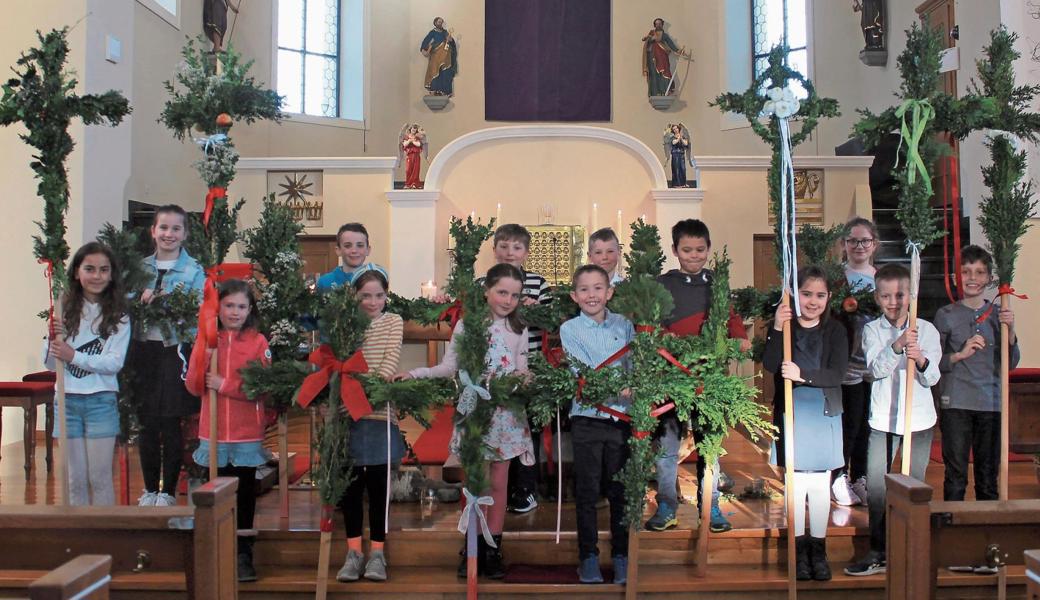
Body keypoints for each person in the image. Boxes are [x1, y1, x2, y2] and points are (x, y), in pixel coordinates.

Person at [396, 263, 534, 580]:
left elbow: (521, 368)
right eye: (502, 292)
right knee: (474, 484)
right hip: (475, 416)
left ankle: (493, 547)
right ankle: (471, 547)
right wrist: (416, 372)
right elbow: (449, 367)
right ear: (486, 290)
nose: (508, 300)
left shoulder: (518, 328)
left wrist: (524, 379)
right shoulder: (467, 326)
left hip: (506, 415)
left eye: (514, 295)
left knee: (499, 485)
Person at [645, 219, 749, 534]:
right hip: (671, 378)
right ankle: (666, 504)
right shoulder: (662, 284)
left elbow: (729, 317)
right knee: (667, 447)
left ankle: (711, 505)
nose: (694, 256)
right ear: (675, 250)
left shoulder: (717, 282)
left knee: (709, 447)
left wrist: (739, 336)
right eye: (687, 250)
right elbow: (654, 325)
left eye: (700, 250)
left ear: (708, 249)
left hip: (709, 379)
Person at [844, 263, 940, 576]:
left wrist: (921, 359)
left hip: (919, 420)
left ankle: (912, 547)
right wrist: (897, 346)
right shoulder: (872, 330)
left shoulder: (927, 329)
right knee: (877, 487)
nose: (894, 301)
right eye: (887, 296)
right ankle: (878, 550)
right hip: (884, 419)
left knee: (914, 487)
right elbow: (875, 371)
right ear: (877, 297)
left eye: (900, 295)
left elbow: (933, 378)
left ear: (910, 295)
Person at [763, 265, 848, 582]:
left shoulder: (835, 331)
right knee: (797, 485)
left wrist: (803, 375)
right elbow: (771, 363)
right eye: (807, 293)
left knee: (819, 484)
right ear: (795, 295)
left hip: (824, 411)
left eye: (820, 295)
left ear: (828, 298)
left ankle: (819, 549)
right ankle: (799, 550)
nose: (813, 301)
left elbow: (837, 374)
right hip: (793, 411)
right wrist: (775, 327)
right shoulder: (786, 329)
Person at [186, 279, 270, 582]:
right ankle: (215, 547)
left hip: (246, 432)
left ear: (250, 310)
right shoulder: (210, 338)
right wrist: (202, 352)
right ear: (217, 308)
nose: (235, 312)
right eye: (229, 305)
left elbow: (261, 387)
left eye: (242, 306)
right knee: (216, 493)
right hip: (215, 431)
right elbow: (195, 386)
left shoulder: (258, 342)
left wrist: (227, 385)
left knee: (244, 493)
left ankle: (243, 551)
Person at [560, 265, 634, 585]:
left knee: (619, 490)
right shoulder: (570, 329)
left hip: (621, 419)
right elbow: (582, 373)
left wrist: (633, 385)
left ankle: (621, 556)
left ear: (610, 292)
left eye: (598, 288)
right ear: (575, 296)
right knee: (588, 491)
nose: (592, 295)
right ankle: (588, 556)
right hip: (587, 418)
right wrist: (618, 387)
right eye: (585, 290)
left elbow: (634, 365)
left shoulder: (626, 325)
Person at [44, 242, 131, 506]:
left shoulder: (119, 315)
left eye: (104, 270)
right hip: (66, 401)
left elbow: (114, 363)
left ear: (111, 274)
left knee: (100, 477)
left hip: (100, 401)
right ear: (76, 273)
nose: (97, 276)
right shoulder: (62, 311)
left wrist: (75, 356)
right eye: (90, 269)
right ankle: (76, 536)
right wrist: (50, 341)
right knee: (74, 479)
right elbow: (51, 364)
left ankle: (105, 535)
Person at [131, 205, 206, 507]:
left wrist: (169, 305)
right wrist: (139, 300)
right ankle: (150, 489)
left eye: (176, 229)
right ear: (153, 231)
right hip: (144, 353)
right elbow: (126, 307)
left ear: (185, 233)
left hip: (174, 352)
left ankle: (169, 491)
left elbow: (200, 311)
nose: (169, 234)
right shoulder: (139, 269)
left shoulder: (194, 270)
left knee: (170, 423)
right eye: (163, 227)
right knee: (147, 422)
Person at [934, 245, 1019, 501]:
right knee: (956, 475)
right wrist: (960, 354)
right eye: (966, 272)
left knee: (987, 476)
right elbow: (934, 363)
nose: (973, 278)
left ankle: (987, 535)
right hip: (956, 403)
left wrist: (1011, 330)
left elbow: (1011, 362)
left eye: (980, 272)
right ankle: (951, 534)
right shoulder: (945, 314)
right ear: (957, 276)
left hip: (991, 404)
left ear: (989, 278)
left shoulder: (998, 314)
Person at [336, 270, 405, 583]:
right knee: (350, 487)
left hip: (379, 412)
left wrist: (367, 390)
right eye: (366, 296)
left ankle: (377, 552)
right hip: (346, 411)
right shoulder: (345, 323)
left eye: (379, 295)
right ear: (355, 297)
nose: (373, 302)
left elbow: (390, 361)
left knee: (378, 486)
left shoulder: (393, 322)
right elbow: (342, 360)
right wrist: (351, 394)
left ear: (386, 296)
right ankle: (353, 553)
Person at [491, 224, 551, 514]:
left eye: (516, 247)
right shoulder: (485, 284)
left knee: (528, 429)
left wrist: (536, 307)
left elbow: (551, 318)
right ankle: (498, 487)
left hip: (531, 368)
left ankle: (526, 489)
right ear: (494, 251)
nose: (509, 252)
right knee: (499, 427)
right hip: (495, 371)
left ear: (526, 253)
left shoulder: (538, 283)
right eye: (503, 246)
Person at [833, 216, 879, 507]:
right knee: (848, 422)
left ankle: (860, 476)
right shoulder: (838, 278)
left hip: (875, 365)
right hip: (847, 363)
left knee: (868, 424)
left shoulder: (882, 278)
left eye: (864, 240)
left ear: (874, 244)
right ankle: (838, 476)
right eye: (852, 240)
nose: (858, 246)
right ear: (844, 245)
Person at [316, 223, 388, 292]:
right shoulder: (324, 282)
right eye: (348, 246)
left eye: (360, 245)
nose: (354, 250)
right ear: (338, 250)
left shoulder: (376, 280)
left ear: (368, 250)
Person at [642, 18, 684, 97]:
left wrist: (678, 51)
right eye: (657, 24)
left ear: (662, 25)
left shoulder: (664, 35)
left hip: (663, 57)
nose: (658, 25)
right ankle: (654, 93)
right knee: (654, 74)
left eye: (660, 23)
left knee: (665, 73)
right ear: (655, 25)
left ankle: (665, 92)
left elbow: (671, 44)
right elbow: (647, 42)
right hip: (652, 57)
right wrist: (650, 38)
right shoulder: (651, 33)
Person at [420, 17, 458, 96]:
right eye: (439, 22)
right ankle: (434, 89)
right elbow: (426, 41)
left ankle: (445, 91)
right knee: (434, 71)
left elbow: (451, 42)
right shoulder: (433, 32)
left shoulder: (445, 32)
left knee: (445, 71)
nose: (440, 23)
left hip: (445, 55)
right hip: (436, 55)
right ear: (435, 23)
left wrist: (451, 40)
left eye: (441, 22)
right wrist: (424, 49)